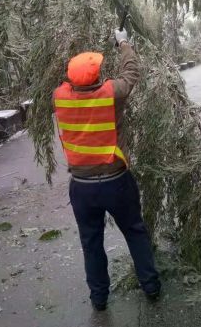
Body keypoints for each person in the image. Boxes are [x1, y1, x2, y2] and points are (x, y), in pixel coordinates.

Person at [53, 28, 161, 310]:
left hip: (82, 187)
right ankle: (151, 286)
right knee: (135, 232)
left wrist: (84, 71)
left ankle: (99, 298)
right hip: (116, 182)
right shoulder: (111, 94)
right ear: (99, 78)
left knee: (91, 242)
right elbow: (131, 72)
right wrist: (123, 42)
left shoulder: (59, 98)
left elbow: (72, 82)